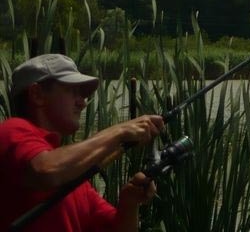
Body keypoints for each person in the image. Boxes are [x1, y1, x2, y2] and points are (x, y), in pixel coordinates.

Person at [0, 54, 164, 232]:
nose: (83, 103)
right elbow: (45, 170)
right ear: (37, 94)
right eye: (73, 92)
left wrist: (129, 203)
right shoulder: (11, 130)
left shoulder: (75, 177)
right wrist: (119, 132)